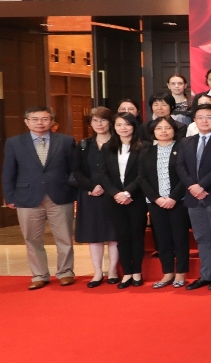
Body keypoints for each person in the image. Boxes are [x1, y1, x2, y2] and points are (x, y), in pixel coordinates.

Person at [4, 106, 79, 290]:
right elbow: (8, 172)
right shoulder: (15, 142)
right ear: (26, 122)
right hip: (27, 197)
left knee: (64, 238)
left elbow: (74, 169)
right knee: (32, 239)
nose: (40, 123)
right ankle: (39, 275)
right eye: (35, 119)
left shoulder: (66, 140)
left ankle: (65, 272)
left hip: (60, 195)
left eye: (45, 119)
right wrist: (9, 196)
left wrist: (74, 192)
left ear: (52, 121)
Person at [177, 104, 211, 290]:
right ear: (194, 120)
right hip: (193, 197)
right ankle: (206, 275)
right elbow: (180, 167)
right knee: (202, 238)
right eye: (200, 117)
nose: (205, 120)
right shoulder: (186, 142)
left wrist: (202, 186)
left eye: (209, 117)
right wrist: (193, 186)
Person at [139, 117, 190, 288]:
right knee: (162, 238)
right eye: (159, 128)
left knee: (180, 237)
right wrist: (156, 198)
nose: (163, 131)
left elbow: (186, 175)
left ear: (174, 130)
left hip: (178, 201)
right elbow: (142, 177)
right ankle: (167, 272)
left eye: (167, 128)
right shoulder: (146, 151)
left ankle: (181, 272)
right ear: (153, 132)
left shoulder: (182, 148)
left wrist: (173, 197)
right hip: (156, 202)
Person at [73, 108, 120, 288]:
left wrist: (109, 188)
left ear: (110, 122)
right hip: (90, 195)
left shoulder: (119, 143)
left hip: (114, 194)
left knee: (114, 234)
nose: (99, 124)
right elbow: (77, 171)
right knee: (95, 235)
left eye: (103, 120)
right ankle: (98, 272)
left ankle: (113, 270)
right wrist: (91, 186)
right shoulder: (84, 145)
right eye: (95, 121)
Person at [102, 112, 145, 289]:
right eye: (119, 124)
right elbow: (103, 174)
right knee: (122, 236)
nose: (123, 128)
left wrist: (127, 193)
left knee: (137, 235)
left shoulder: (144, 146)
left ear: (134, 126)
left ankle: (137, 272)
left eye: (127, 124)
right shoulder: (108, 147)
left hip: (136, 197)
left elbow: (143, 174)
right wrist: (116, 193)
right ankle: (127, 272)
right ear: (114, 127)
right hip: (114, 199)